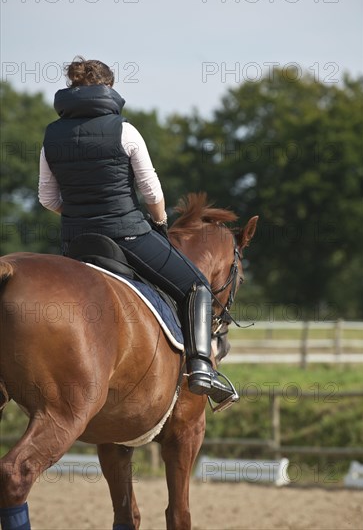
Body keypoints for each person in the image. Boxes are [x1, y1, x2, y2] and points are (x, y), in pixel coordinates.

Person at [38, 56, 238, 408]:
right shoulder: (124, 131)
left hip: (76, 241)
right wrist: (159, 223)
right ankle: (202, 368)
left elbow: (47, 198)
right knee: (196, 286)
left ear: (71, 91)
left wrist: (81, 216)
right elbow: (152, 193)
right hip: (127, 235)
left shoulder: (51, 136)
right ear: (109, 89)